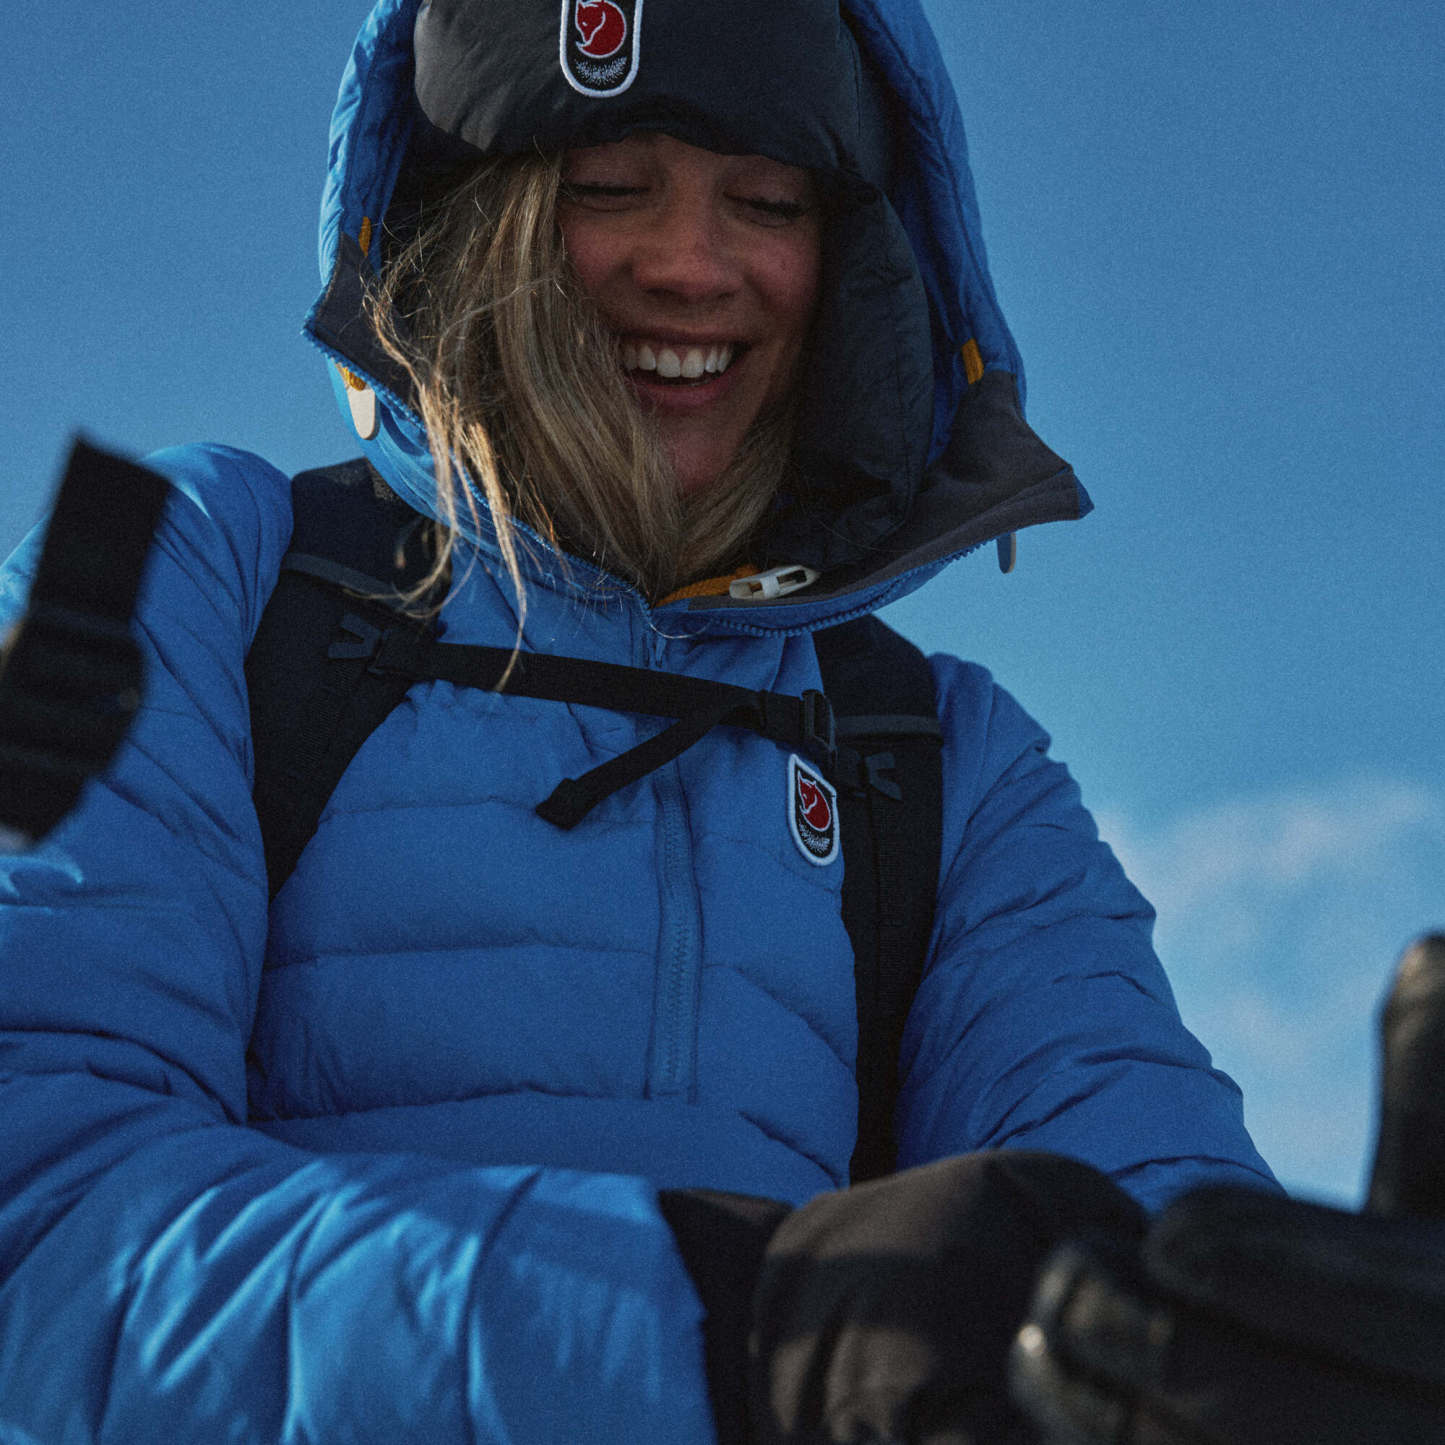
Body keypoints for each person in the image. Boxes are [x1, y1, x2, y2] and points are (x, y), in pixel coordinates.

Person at [0, 2, 1276, 1442]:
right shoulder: (159, 556)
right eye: (608, 186)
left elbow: (1134, 1180)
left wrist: (1272, 1342)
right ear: (465, 218)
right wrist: (733, 1333)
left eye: (769, 201)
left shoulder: (949, 758)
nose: (690, 264)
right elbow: (36, 1207)